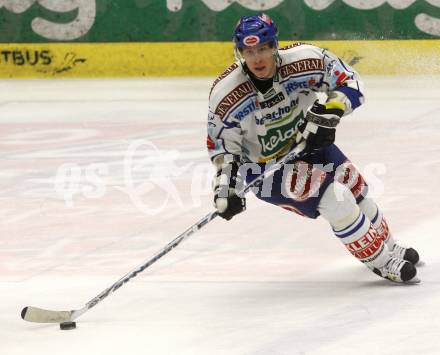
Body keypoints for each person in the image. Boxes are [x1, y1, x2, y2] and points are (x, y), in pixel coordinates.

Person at [206, 13, 420, 283]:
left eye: (263, 48)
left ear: (274, 46)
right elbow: (223, 147)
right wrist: (227, 187)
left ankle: (388, 244)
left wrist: (329, 113)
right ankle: (382, 261)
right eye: (249, 51)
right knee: (337, 199)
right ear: (239, 52)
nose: (257, 58)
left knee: (355, 187)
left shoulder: (305, 60)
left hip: (306, 143)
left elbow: (350, 81)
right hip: (264, 168)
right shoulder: (226, 94)